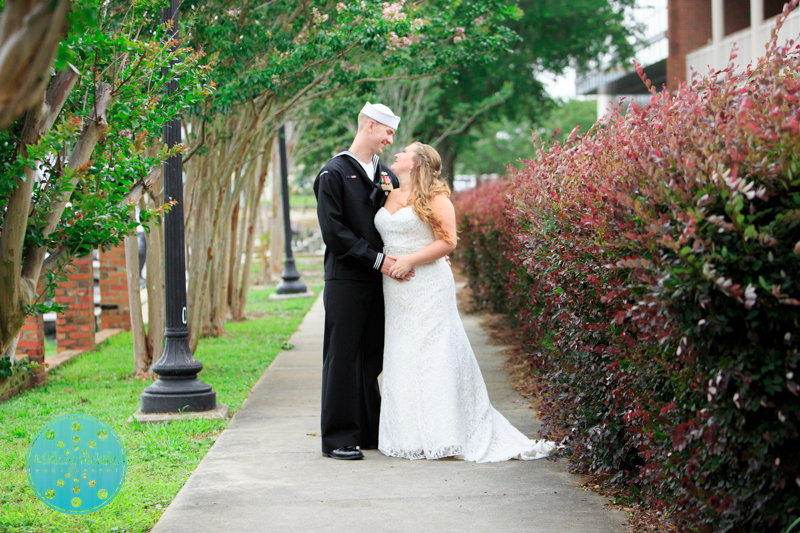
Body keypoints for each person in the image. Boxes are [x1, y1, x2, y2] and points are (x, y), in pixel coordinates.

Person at [374, 142, 556, 462]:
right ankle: (408, 434)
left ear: (418, 163)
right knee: (402, 352)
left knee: (433, 353)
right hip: (395, 290)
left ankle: (443, 433)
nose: (397, 154)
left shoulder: (436, 197)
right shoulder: (389, 191)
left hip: (426, 284)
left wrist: (409, 261)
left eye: (404, 152)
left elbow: (448, 242)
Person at [313, 102, 412, 460]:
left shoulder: (387, 175)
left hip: (382, 280)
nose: (390, 140)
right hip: (346, 280)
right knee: (342, 357)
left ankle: (369, 429)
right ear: (370, 126)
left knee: (372, 355)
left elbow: (403, 219)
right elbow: (334, 233)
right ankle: (338, 438)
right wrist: (377, 261)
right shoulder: (333, 173)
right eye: (387, 132)